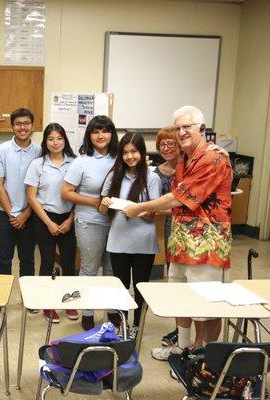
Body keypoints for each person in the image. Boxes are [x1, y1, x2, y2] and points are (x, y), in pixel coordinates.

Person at [123, 105, 232, 360]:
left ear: (201, 129)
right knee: (180, 298)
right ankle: (183, 349)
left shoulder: (215, 157)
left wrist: (138, 207)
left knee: (206, 306)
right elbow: (181, 207)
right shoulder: (184, 160)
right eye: (177, 127)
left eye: (187, 127)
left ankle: (203, 356)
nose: (181, 132)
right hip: (182, 241)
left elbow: (178, 198)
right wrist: (149, 211)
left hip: (208, 245)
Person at [99, 132, 162, 339]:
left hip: (143, 242)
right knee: (121, 287)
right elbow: (103, 211)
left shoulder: (152, 177)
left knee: (141, 287)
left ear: (142, 152)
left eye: (134, 151)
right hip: (118, 241)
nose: (130, 156)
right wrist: (105, 204)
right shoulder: (113, 175)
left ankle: (137, 325)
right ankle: (123, 324)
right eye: (125, 152)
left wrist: (136, 210)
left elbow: (153, 215)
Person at [61, 115, 118, 331]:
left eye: (105, 131)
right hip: (89, 222)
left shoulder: (120, 158)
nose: (101, 135)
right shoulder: (81, 161)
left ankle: (112, 312)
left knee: (112, 270)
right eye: (96, 131)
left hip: (117, 223)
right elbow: (66, 192)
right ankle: (87, 313)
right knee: (89, 268)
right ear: (89, 135)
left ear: (112, 134)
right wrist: (94, 202)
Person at [24, 123, 78, 323]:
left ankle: (69, 303)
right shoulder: (38, 164)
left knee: (68, 263)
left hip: (69, 218)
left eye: (59, 138)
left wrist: (70, 219)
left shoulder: (74, 163)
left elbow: (79, 194)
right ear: (45, 142)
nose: (55, 143)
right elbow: (32, 197)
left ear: (65, 140)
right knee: (47, 262)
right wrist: (48, 223)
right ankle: (47, 304)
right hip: (45, 217)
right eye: (51, 139)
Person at [0, 108, 41, 285]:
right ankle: (0, 299)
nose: (22, 127)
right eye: (18, 124)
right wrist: (12, 213)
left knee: (28, 259)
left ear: (32, 126)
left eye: (26, 123)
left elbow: (40, 187)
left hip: (30, 213)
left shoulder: (39, 151)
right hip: (4, 213)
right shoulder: (1, 151)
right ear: (12, 127)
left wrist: (25, 214)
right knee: (4, 259)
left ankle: (29, 298)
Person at [153, 126, 182, 347]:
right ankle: (180, 329)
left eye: (171, 143)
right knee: (175, 277)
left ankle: (183, 332)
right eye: (162, 144)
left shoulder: (189, 168)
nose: (166, 148)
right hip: (168, 227)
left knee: (186, 280)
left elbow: (184, 204)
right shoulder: (156, 172)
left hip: (188, 228)